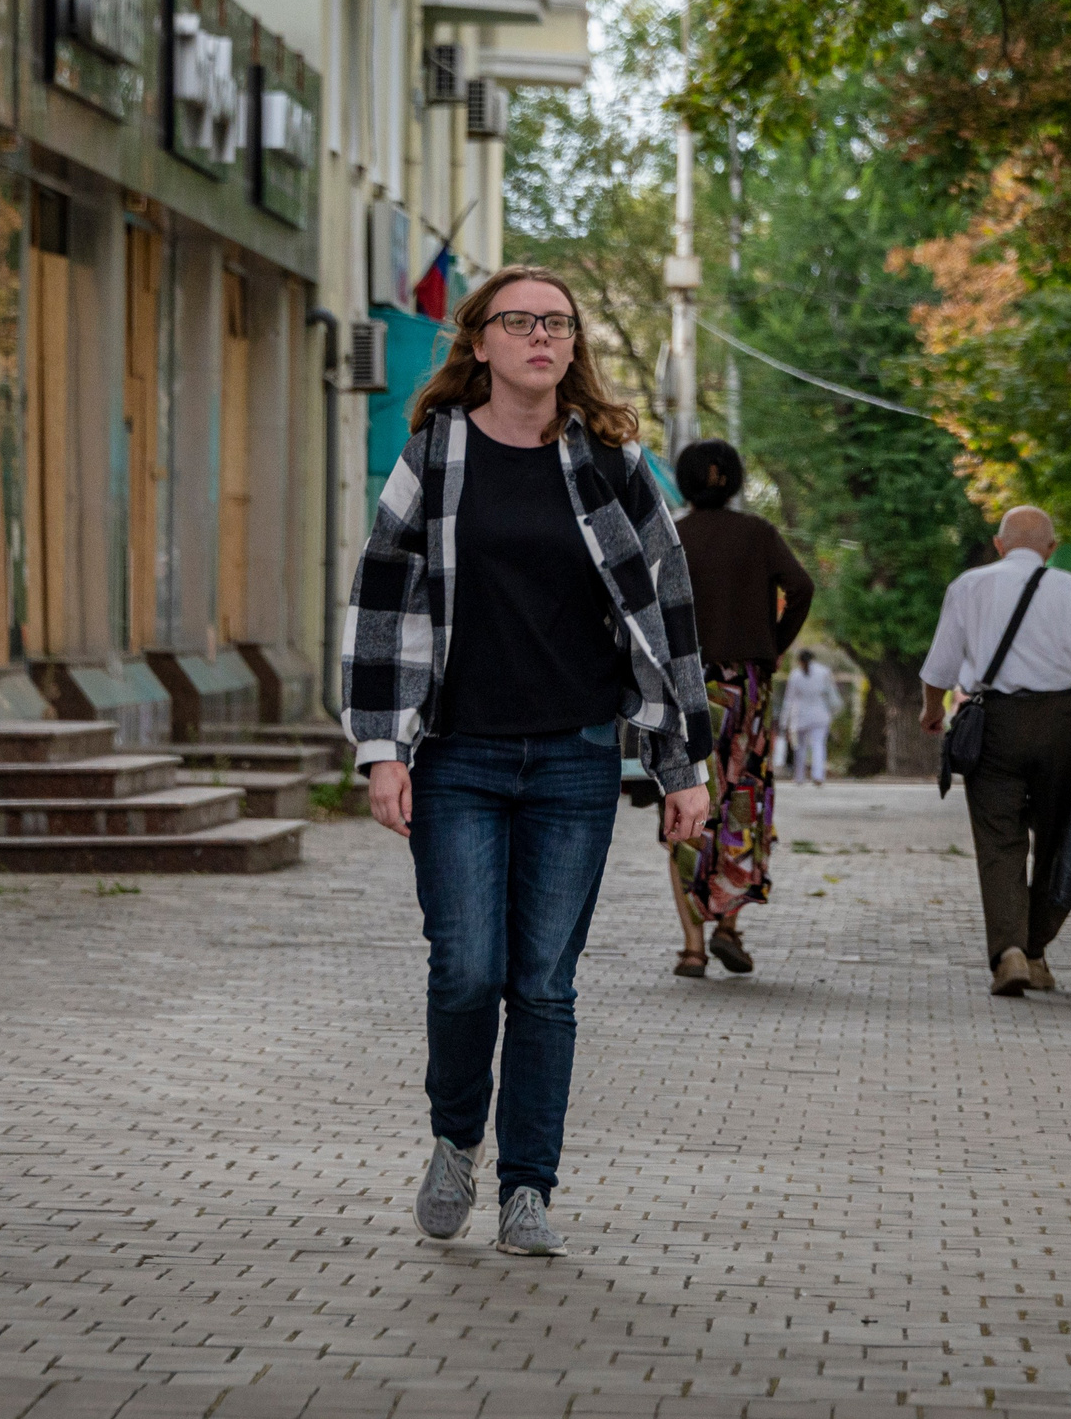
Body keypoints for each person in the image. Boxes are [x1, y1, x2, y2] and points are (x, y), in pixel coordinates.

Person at [346, 263, 714, 1258]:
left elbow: (666, 612)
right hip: (458, 754)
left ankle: (527, 1186)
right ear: (478, 343)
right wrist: (383, 750)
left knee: (544, 982)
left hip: (575, 757)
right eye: (520, 322)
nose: (542, 337)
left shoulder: (611, 463)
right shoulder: (435, 455)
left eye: (557, 323)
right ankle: (456, 1137)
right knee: (467, 969)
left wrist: (682, 761)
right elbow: (381, 599)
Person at [918, 506, 1071, 997]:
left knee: (999, 840)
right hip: (1064, 726)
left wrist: (932, 711)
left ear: (998, 543)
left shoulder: (968, 586)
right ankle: (1035, 951)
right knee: (1059, 838)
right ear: (1051, 548)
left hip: (994, 724)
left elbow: (939, 669)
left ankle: (1011, 951)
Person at [666, 438, 813, 979]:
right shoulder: (758, 533)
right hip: (747, 689)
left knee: (686, 807)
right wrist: (773, 644)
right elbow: (801, 586)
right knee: (742, 801)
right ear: (735, 480)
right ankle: (728, 926)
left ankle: (693, 947)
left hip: (688, 689)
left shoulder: (673, 536)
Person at [782, 650, 842, 784]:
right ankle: (818, 775)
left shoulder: (795, 675)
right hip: (820, 714)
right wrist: (834, 711)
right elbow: (831, 694)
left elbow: (788, 700)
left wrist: (784, 722)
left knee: (800, 747)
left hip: (800, 715)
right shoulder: (824, 672)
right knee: (818, 745)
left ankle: (799, 776)